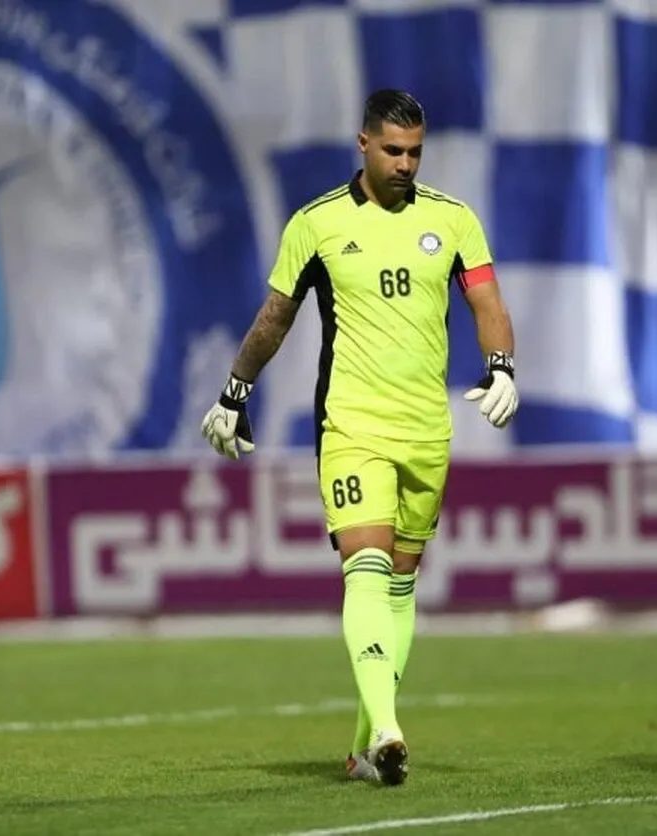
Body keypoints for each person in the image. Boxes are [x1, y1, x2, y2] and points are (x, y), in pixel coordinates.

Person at [199, 89, 519, 786]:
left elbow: (487, 300)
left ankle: (363, 749)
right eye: (393, 151)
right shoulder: (316, 224)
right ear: (364, 145)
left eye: (415, 153)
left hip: (427, 429)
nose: (405, 164)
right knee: (366, 565)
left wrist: (501, 366)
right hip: (352, 424)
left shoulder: (453, 220)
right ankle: (389, 727)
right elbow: (275, 317)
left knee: (401, 584)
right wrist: (234, 391)